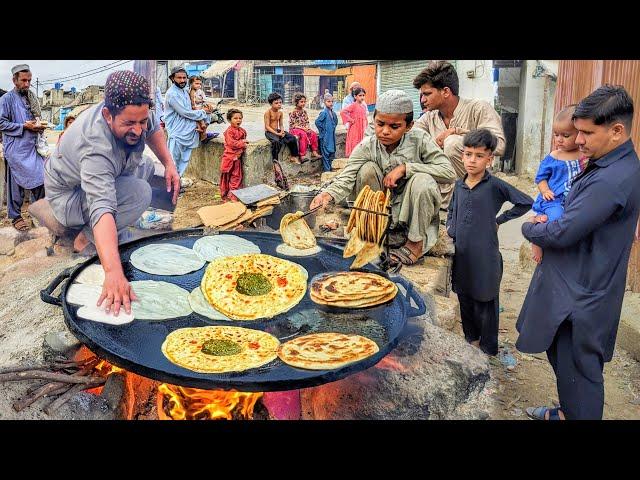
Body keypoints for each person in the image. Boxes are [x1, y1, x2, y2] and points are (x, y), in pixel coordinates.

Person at [516, 85, 640, 420]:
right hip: (576, 282)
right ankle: (566, 411)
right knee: (563, 358)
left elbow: (563, 230)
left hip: (583, 295)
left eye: (586, 132)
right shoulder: (606, 162)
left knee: (580, 371)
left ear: (617, 131)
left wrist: (530, 228)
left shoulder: (611, 179)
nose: (578, 140)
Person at [29, 70, 181, 317]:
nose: (138, 129)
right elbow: (102, 206)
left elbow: (153, 130)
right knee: (140, 192)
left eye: (141, 121)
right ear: (107, 115)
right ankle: (84, 238)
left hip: (100, 176)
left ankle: (106, 234)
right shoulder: (95, 145)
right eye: (129, 124)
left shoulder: (136, 109)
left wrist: (170, 164)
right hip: (68, 195)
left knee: (147, 166)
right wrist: (113, 274)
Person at [310, 89, 456, 266]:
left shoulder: (420, 139)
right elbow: (346, 177)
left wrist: (406, 168)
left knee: (423, 181)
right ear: (374, 121)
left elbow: (448, 172)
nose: (385, 131)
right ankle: (372, 234)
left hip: (410, 209)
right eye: (380, 124)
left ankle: (414, 243)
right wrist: (327, 195)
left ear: (409, 126)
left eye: (394, 127)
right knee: (366, 170)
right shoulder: (367, 146)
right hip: (379, 211)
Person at [447, 129, 533, 356]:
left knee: (485, 301)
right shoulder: (459, 185)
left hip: (486, 255)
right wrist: (450, 229)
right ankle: (471, 341)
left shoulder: (495, 185)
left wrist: (499, 220)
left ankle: (487, 349)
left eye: (478, 155)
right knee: (464, 298)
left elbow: (525, 202)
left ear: (489, 158)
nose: (472, 160)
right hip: (462, 254)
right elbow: (452, 210)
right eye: (467, 154)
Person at [412, 61, 505, 207]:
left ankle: (476, 199)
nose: (423, 100)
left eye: (427, 94)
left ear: (446, 92)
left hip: (477, 194)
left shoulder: (478, 108)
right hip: (444, 198)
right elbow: (411, 136)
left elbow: (499, 145)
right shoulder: (430, 117)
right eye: (422, 95)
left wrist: (457, 132)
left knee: (452, 143)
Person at [530, 105, 587, 263]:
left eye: (566, 135)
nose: (559, 139)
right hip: (553, 199)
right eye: (556, 135)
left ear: (579, 134)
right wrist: (545, 190)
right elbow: (540, 178)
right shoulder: (553, 157)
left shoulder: (584, 156)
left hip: (574, 199)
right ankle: (537, 240)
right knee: (556, 218)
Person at [0, 64, 46, 232]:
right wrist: (23, 126)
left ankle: (38, 211)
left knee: (41, 178)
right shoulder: (6, 100)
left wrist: (38, 126)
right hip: (16, 149)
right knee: (16, 184)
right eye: (24, 80)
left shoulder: (30, 97)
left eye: (29, 80)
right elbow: (1, 122)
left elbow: (33, 120)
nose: (27, 84)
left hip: (32, 147)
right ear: (14, 80)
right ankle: (15, 216)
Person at [164, 66, 213, 176]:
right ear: (172, 79)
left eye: (184, 78)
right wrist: (203, 112)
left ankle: (177, 184)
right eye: (179, 78)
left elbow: (192, 107)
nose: (182, 80)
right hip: (177, 133)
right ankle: (171, 188)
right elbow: (185, 112)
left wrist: (205, 109)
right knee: (173, 162)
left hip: (187, 131)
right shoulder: (172, 94)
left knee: (184, 161)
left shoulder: (185, 91)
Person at [220, 108, 247, 201]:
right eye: (235, 118)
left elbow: (243, 140)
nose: (238, 120)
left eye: (240, 118)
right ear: (229, 120)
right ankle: (225, 195)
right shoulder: (229, 131)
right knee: (226, 178)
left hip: (237, 159)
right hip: (229, 158)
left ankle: (233, 196)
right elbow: (232, 143)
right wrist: (243, 143)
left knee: (236, 178)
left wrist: (242, 143)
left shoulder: (242, 131)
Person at [289, 93, 321, 160]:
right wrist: (303, 129)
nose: (303, 103)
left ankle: (314, 151)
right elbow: (293, 124)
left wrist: (308, 128)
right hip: (295, 129)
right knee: (303, 134)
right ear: (296, 102)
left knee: (313, 134)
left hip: (303, 128)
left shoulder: (304, 112)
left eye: (304, 102)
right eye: (301, 102)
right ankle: (302, 154)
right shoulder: (293, 112)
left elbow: (307, 121)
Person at [341, 87, 368, 157]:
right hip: (355, 128)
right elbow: (343, 112)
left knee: (361, 142)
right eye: (360, 95)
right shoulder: (353, 105)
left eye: (363, 95)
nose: (362, 97)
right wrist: (351, 120)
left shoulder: (364, 106)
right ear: (355, 96)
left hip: (362, 128)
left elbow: (365, 118)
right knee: (354, 141)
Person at [315, 93, 338, 172]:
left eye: (332, 101)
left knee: (332, 154)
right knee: (325, 155)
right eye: (328, 101)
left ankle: (331, 169)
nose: (331, 103)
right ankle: (327, 172)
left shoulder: (333, 113)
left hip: (331, 138)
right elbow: (317, 122)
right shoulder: (324, 113)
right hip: (325, 138)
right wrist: (323, 131)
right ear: (324, 102)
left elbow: (335, 122)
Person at [189, 75, 215, 144]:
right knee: (197, 113)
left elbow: (204, 100)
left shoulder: (200, 92)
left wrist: (205, 104)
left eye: (200, 84)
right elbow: (192, 102)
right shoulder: (189, 92)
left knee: (208, 112)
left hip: (200, 106)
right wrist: (194, 105)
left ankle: (203, 129)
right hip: (194, 108)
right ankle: (202, 128)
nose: (199, 85)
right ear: (191, 84)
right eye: (196, 83)